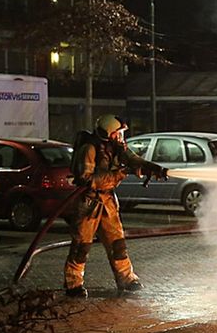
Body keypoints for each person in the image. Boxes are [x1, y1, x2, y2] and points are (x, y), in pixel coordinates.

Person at [64, 114, 168, 298]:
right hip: (89, 203)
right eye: (118, 133)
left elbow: (133, 159)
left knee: (117, 243)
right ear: (108, 133)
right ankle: (74, 283)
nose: (121, 137)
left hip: (108, 202)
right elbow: (86, 179)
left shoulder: (117, 147)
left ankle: (126, 278)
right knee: (82, 246)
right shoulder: (89, 149)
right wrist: (119, 174)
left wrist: (154, 168)